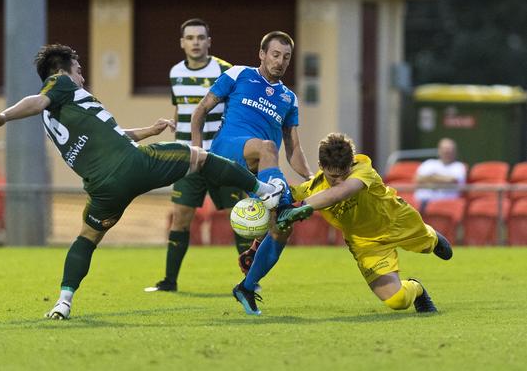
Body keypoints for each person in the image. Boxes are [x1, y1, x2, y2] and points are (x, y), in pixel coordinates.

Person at [0, 43, 285, 320]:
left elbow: (111, 134)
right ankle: (266, 191)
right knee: (200, 158)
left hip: (103, 189)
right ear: (62, 70)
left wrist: (149, 131)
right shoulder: (58, 85)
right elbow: (36, 100)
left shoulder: (59, 113)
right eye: (79, 69)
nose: (82, 76)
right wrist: (3, 116)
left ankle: (63, 301)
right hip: (133, 164)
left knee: (87, 237)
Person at [233, 132, 453, 316]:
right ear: (321, 166)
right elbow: (277, 199)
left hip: (399, 221)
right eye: (332, 176)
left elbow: (340, 193)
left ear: (352, 162)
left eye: (344, 174)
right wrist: (259, 229)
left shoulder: (363, 168)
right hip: (366, 244)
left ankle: (430, 236)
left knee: (434, 246)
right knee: (397, 301)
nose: (339, 180)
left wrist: (300, 207)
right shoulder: (311, 189)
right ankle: (418, 289)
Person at [191, 31, 313, 275]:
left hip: (259, 169)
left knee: (283, 226)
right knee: (267, 147)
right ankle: (276, 201)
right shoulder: (239, 74)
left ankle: (250, 275)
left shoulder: (289, 98)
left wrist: (311, 177)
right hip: (226, 149)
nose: (280, 61)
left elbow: (294, 148)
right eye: (275, 55)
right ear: (262, 54)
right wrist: (197, 150)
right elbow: (200, 111)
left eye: (286, 57)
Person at [145, 18, 248, 293]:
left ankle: (251, 281)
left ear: (209, 42)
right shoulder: (175, 72)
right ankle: (169, 282)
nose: (195, 42)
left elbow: (237, 111)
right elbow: (181, 108)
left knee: (240, 216)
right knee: (181, 216)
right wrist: (176, 129)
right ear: (182, 43)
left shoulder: (225, 71)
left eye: (201, 38)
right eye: (190, 38)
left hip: (220, 156)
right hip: (187, 159)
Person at [414, 137, 467, 208]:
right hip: (422, 202)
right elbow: (418, 178)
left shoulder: (459, 166)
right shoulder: (429, 163)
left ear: (454, 151)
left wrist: (431, 177)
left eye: (449, 149)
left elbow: (452, 180)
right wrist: (441, 179)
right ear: (439, 150)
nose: (446, 152)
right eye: (444, 149)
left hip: (447, 203)